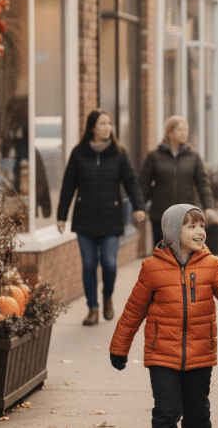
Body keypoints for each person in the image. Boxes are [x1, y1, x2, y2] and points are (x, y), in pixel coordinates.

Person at [109, 204, 218, 428]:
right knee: (166, 414)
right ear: (173, 232)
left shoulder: (211, 265)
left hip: (200, 355)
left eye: (201, 226)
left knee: (198, 417)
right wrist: (119, 349)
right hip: (162, 355)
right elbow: (133, 311)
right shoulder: (152, 268)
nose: (200, 231)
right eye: (192, 227)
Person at [57, 108, 146, 326]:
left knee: (109, 264)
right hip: (84, 218)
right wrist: (61, 216)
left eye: (109, 124)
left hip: (111, 218)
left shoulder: (119, 153)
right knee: (89, 264)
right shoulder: (79, 153)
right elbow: (68, 185)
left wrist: (138, 206)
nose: (107, 128)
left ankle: (107, 296)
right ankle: (93, 308)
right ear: (93, 128)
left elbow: (131, 181)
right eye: (103, 124)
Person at [139, 115, 218, 247]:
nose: (184, 133)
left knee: (184, 252)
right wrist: (139, 207)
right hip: (161, 215)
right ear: (170, 133)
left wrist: (208, 207)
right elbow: (143, 184)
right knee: (163, 253)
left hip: (186, 216)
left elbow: (203, 184)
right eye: (179, 130)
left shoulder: (193, 157)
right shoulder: (155, 156)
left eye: (185, 130)